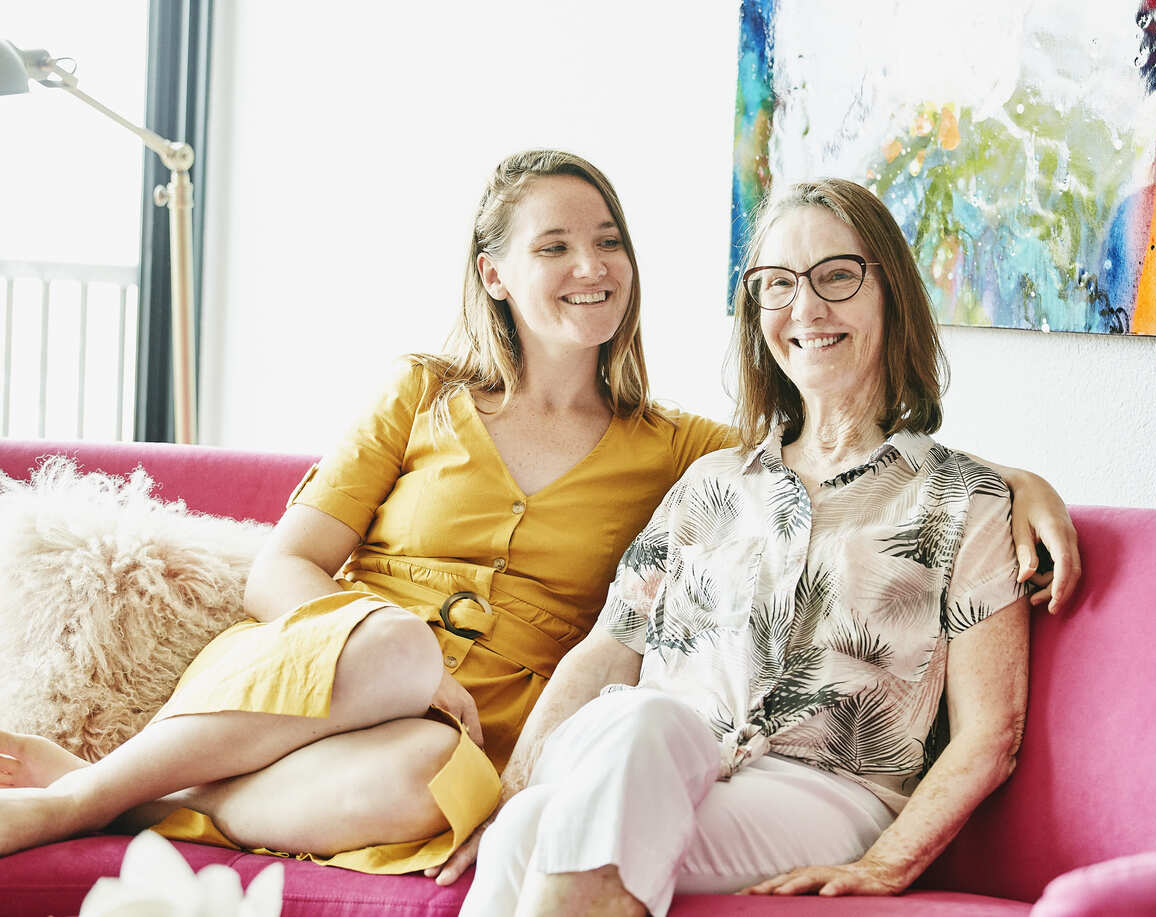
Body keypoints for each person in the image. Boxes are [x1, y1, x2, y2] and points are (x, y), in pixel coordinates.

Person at [0, 153, 1076, 885]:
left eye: (606, 240)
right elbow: (285, 566)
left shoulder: (679, 450)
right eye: (554, 246)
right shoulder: (422, 394)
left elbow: (840, 462)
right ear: (495, 275)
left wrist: (1013, 480)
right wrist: (409, 663)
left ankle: (132, 802)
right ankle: (88, 791)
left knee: (429, 773)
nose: (590, 265)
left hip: (449, 752)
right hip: (323, 675)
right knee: (397, 648)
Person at [461, 177, 1039, 916]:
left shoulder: (966, 502)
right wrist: (507, 793)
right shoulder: (710, 483)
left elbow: (992, 732)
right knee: (545, 805)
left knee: (554, 818)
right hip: (645, 753)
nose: (806, 308)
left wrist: (888, 863)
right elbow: (606, 652)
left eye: (836, 276)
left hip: (819, 791)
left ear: (889, 292)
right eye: (776, 285)